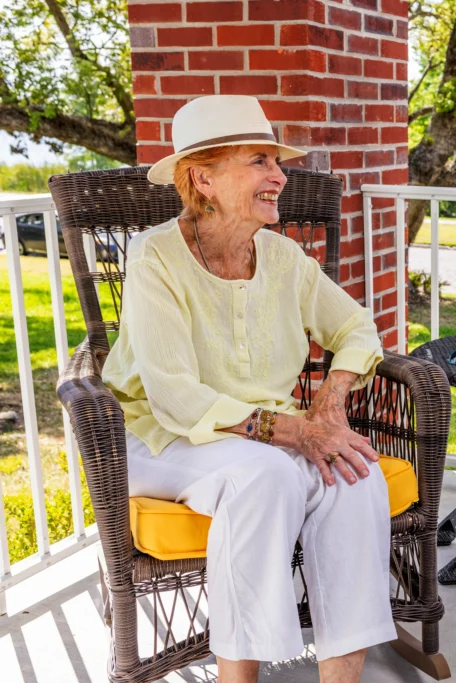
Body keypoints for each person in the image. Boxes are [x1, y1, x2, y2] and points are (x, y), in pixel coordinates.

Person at [103, 95, 395, 683]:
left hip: (266, 437)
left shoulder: (285, 257)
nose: (279, 176)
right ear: (202, 178)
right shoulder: (155, 254)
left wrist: (330, 404)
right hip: (157, 438)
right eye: (259, 161)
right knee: (268, 476)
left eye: (276, 163)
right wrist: (296, 433)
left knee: (355, 474)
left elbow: (356, 326)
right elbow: (176, 399)